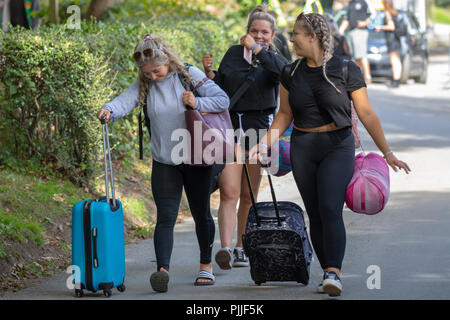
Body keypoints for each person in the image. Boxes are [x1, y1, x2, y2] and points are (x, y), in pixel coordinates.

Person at [249, 12, 411, 297]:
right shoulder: (290, 72)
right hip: (303, 146)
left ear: (312, 36)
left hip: (338, 145)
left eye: (296, 34)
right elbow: (284, 114)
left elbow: (366, 113)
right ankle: (327, 272)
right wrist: (265, 144)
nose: (292, 39)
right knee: (315, 212)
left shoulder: (346, 69)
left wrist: (388, 153)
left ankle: (333, 271)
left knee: (329, 207)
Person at [97, 34, 230, 292]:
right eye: (148, 74)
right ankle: (162, 271)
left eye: (156, 71)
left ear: (166, 59)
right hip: (164, 161)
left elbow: (223, 100)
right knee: (165, 217)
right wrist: (108, 110)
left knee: (200, 213)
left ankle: (206, 266)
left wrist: (197, 101)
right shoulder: (145, 84)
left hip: (195, 159)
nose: (153, 77)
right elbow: (125, 100)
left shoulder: (187, 75)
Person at [202, 4, 288, 270]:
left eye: (264, 32)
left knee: (248, 194)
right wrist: (210, 76)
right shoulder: (233, 54)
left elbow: (283, 75)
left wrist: (259, 50)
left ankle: (241, 246)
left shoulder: (274, 57)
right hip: (231, 128)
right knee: (229, 191)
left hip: (259, 129)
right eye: (254, 31)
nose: (259, 35)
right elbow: (223, 91)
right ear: (246, 31)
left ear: (271, 35)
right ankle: (225, 248)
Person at [339, 0, 375, 83]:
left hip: (360, 31)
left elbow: (372, 15)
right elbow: (346, 19)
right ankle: (357, 76)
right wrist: (340, 31)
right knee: (355, 56)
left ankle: (367, 76)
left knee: (361, 55)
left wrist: (365, 22)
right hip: (351, 31)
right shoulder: (350, 4)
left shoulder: (363, 2)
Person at [375, 0, 402, 88]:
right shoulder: (395, 12)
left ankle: (395, 80)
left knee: (394, 61)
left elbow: (391, 26)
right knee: (397, 61)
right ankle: (397, 79)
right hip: (396, 39)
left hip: (391, 40)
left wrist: (381, 27)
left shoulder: (387, 13)